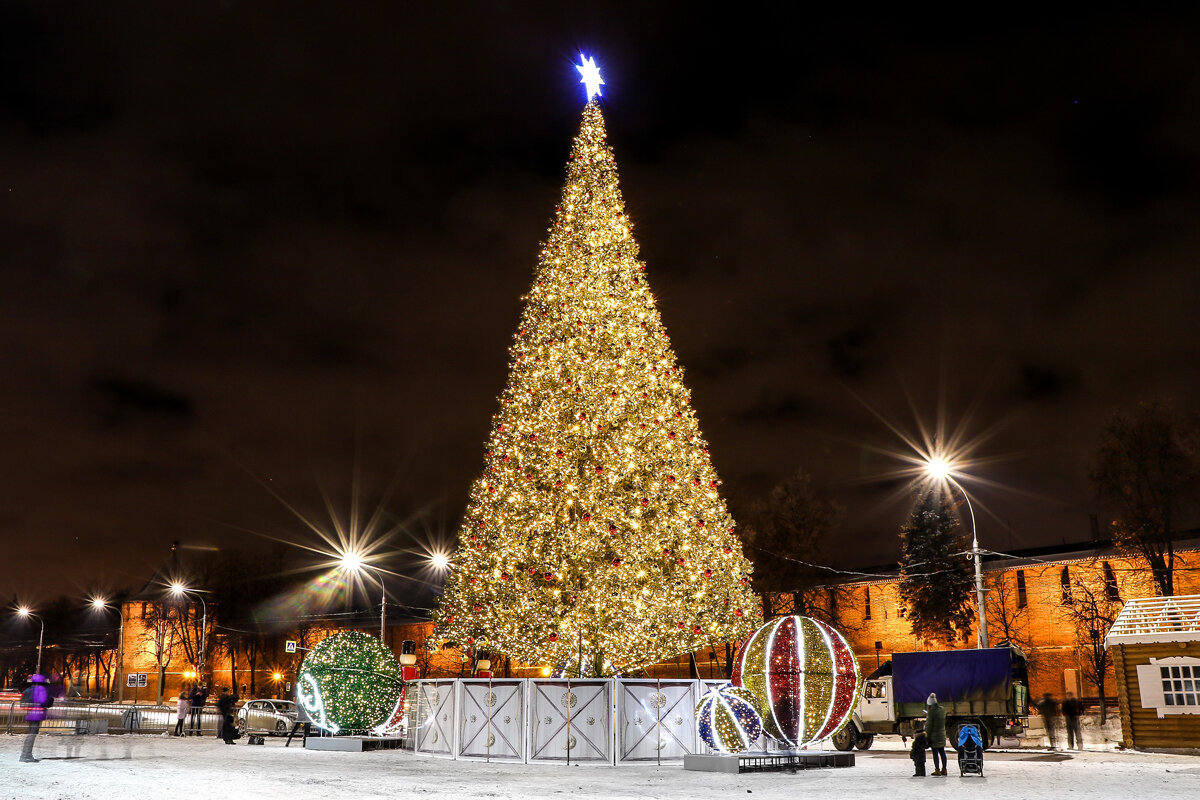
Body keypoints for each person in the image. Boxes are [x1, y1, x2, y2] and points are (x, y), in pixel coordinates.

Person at [19, 674, 53, 763]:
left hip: (30, 714)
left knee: (30, 734)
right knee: (32, 735)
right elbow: (47, 702)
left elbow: (22, 703)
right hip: (37, 715)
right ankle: (26, 755)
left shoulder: (27, 690)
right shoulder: (42, 690)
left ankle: (26, 754)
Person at [925, 692, 947, 776]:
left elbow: (929, 726)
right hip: (942, 734)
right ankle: (944, 769)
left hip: (934, 736)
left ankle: (937, 770)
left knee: (935, 753)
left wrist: (926, 734)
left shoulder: (931, 712)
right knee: (942, 752)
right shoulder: (942, 709)